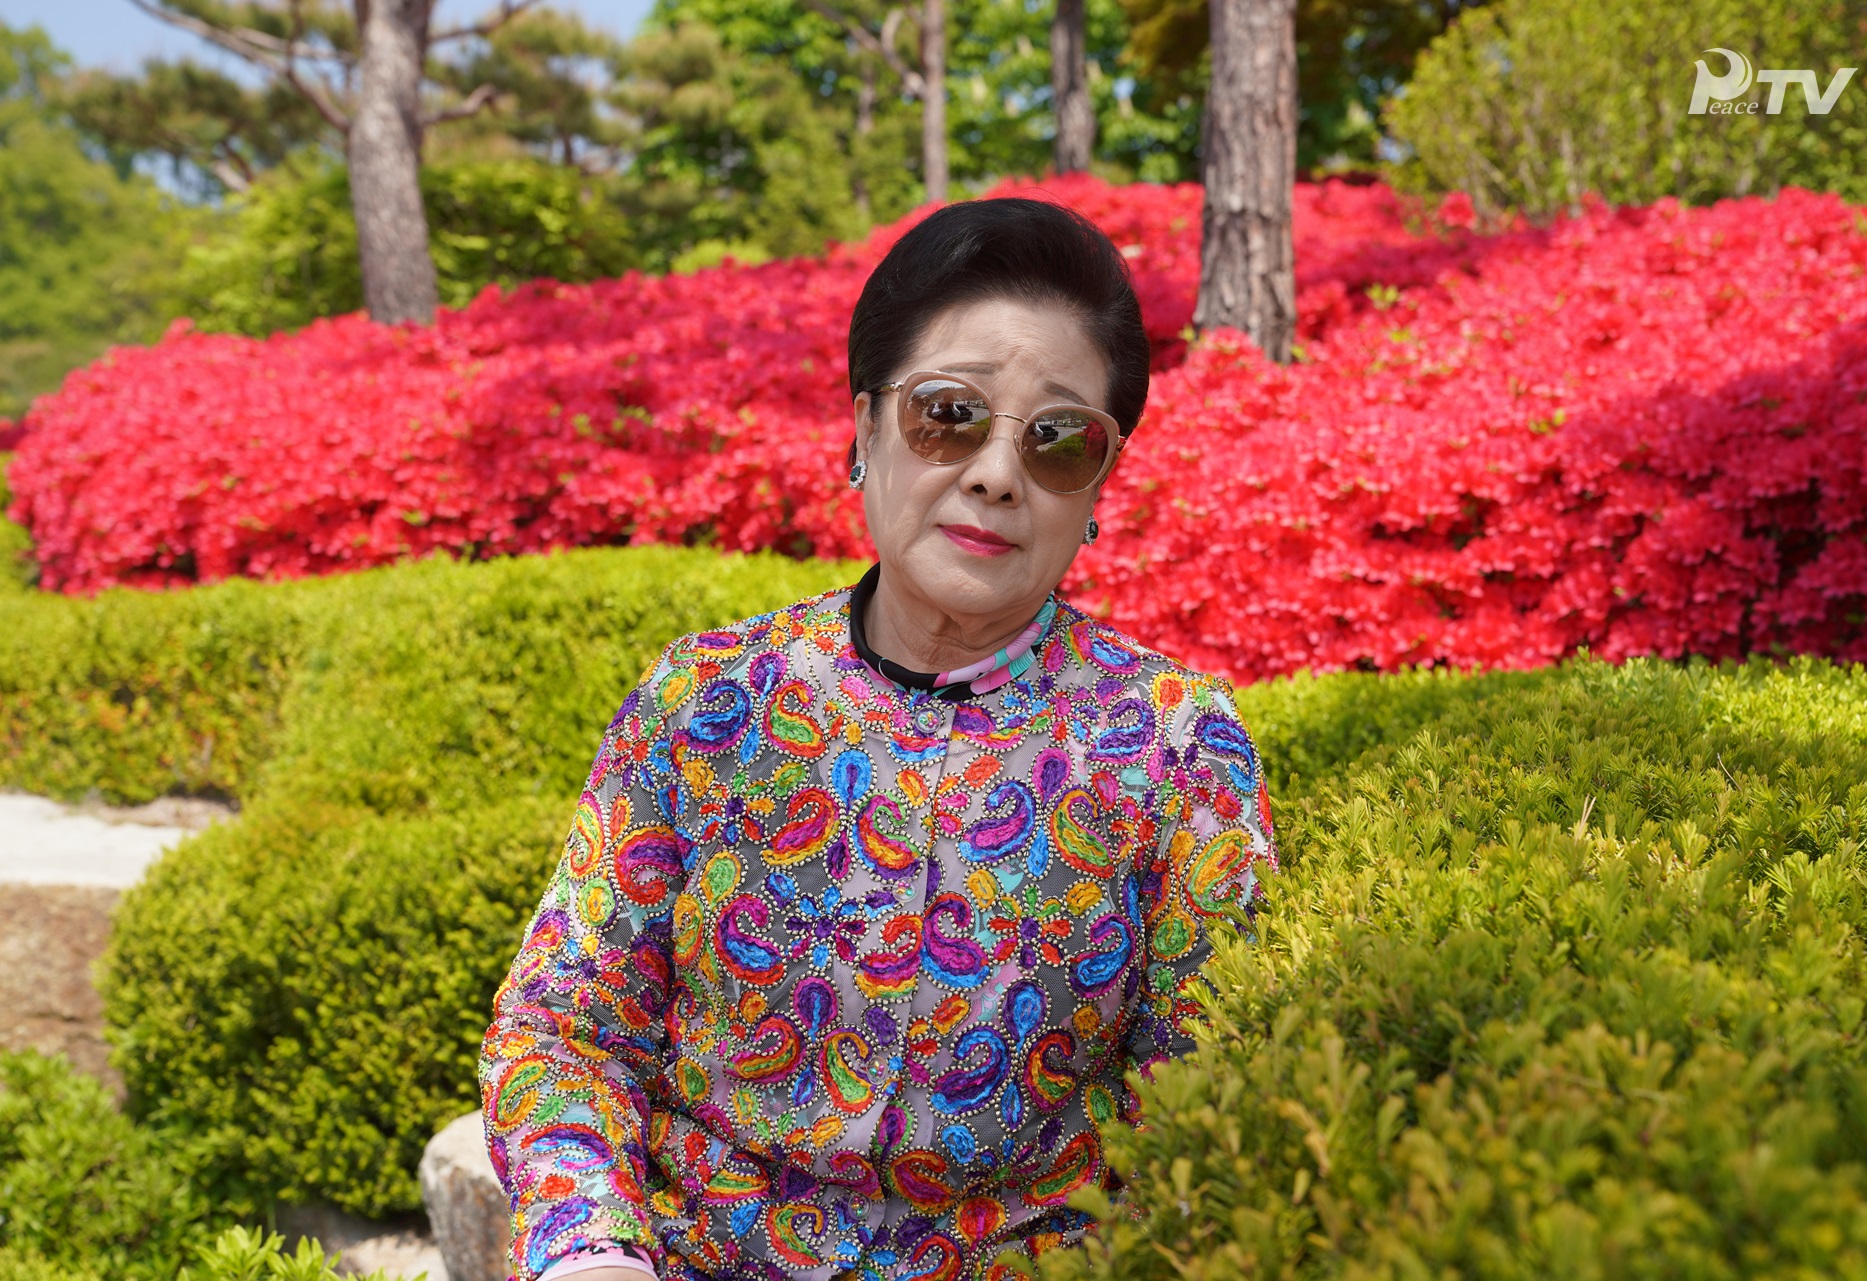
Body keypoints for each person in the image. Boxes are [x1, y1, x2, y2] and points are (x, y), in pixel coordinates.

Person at [478, 197, 1278, 1281]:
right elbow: (566, 1025)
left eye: (1056, 439)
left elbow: (1203, 1100)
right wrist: (588, 1251)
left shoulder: (1174, 748)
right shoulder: (712, 702)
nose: (997, 474)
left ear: (1098, 486)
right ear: (864, 429)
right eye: (949, 413)